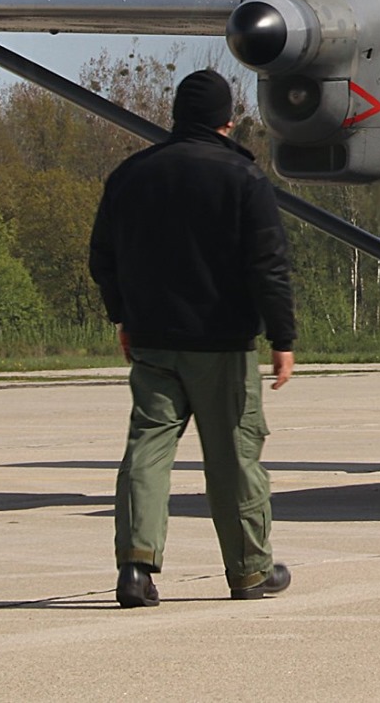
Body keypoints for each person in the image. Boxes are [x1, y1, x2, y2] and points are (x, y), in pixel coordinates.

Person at [88, 68, 297, 608]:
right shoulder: (244, 180)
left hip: (153, 341)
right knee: (232, 456)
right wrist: (282, 337)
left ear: (178, 117)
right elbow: (268, 266)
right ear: (228, 120)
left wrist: (124, 318)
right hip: (223, 346)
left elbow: (103, 259)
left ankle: (135, 570)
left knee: (147, 451)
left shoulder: (130, 175)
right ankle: (250, 570)